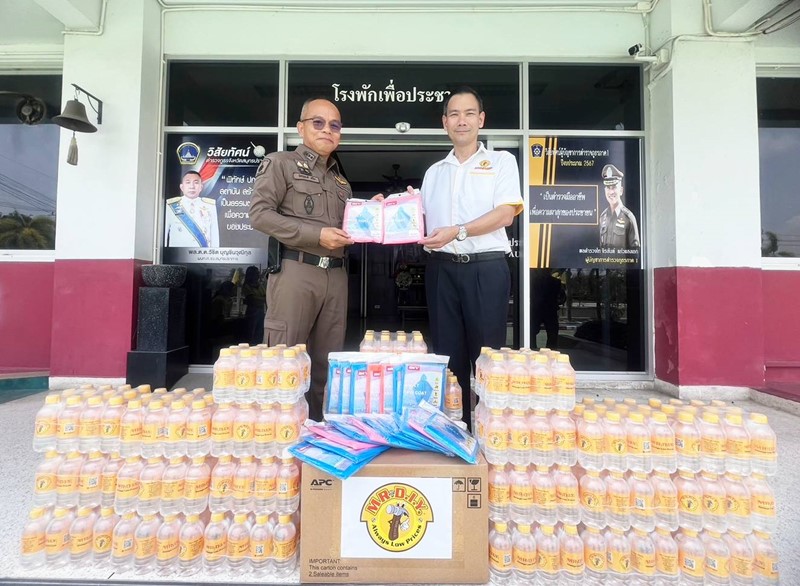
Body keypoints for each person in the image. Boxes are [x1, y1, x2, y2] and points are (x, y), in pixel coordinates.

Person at [416, 86, 524, 428]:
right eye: (454, 114)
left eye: (468, 114)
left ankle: (490, 427)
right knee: (447, 355)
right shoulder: (434, 172)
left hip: (485, 269)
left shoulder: (501, 162)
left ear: (481, 119)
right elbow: (422, 222)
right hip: (441, 270)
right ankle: (455, 425)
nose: (461, 121)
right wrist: (389, 208)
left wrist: (458, 231)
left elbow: (506, 214)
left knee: (487, 354)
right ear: (444, 122)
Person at [248, 98, 355, 421]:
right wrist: (316, 235)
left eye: (334, 125)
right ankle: (279, 439)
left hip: (335, 277)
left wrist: (373, 211)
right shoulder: (280, 164)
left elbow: (350, 227)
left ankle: (319, 434)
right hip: (297, 271)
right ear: (301, 128)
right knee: (286, 360)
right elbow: (259, 215)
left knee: (326, 363)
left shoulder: (341, 182)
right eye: (318, 123)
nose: (327, 130)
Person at [165, 170, 220, 247]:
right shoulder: (171, 206)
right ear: (181, 187)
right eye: (188, 182)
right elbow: (163, 235)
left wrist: (214, 256)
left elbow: (214, 235)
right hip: (178, 256)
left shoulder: (210, 206)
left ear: (201, 187)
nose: (192, 186)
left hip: (202, 256)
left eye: (196, 182)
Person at [598, 163, 640, 249]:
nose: (611, 192)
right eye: (608, 187)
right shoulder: (603, 217)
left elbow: (635, 254)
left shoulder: (628, 218)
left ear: (621, 190)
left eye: (614, 187)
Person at [530, 269, 562, 350]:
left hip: (537, 309)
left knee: (532, 333)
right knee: (552, 333)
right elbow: (561, 297)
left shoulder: (532, 282)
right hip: (550, 310)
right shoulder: (556, 282)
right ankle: (551, 351)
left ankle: (532, 349)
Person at [242, 266, 267, 345]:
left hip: (261, 311)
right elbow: (252, 299)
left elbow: (265, 297)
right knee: (251, 335)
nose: (258, 275)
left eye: (258, 273)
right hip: (252, 313)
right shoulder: (246, 286)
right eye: (256, 273)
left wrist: (260, 299)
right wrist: (262, 299)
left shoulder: (260, 285)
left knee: (259, 334)